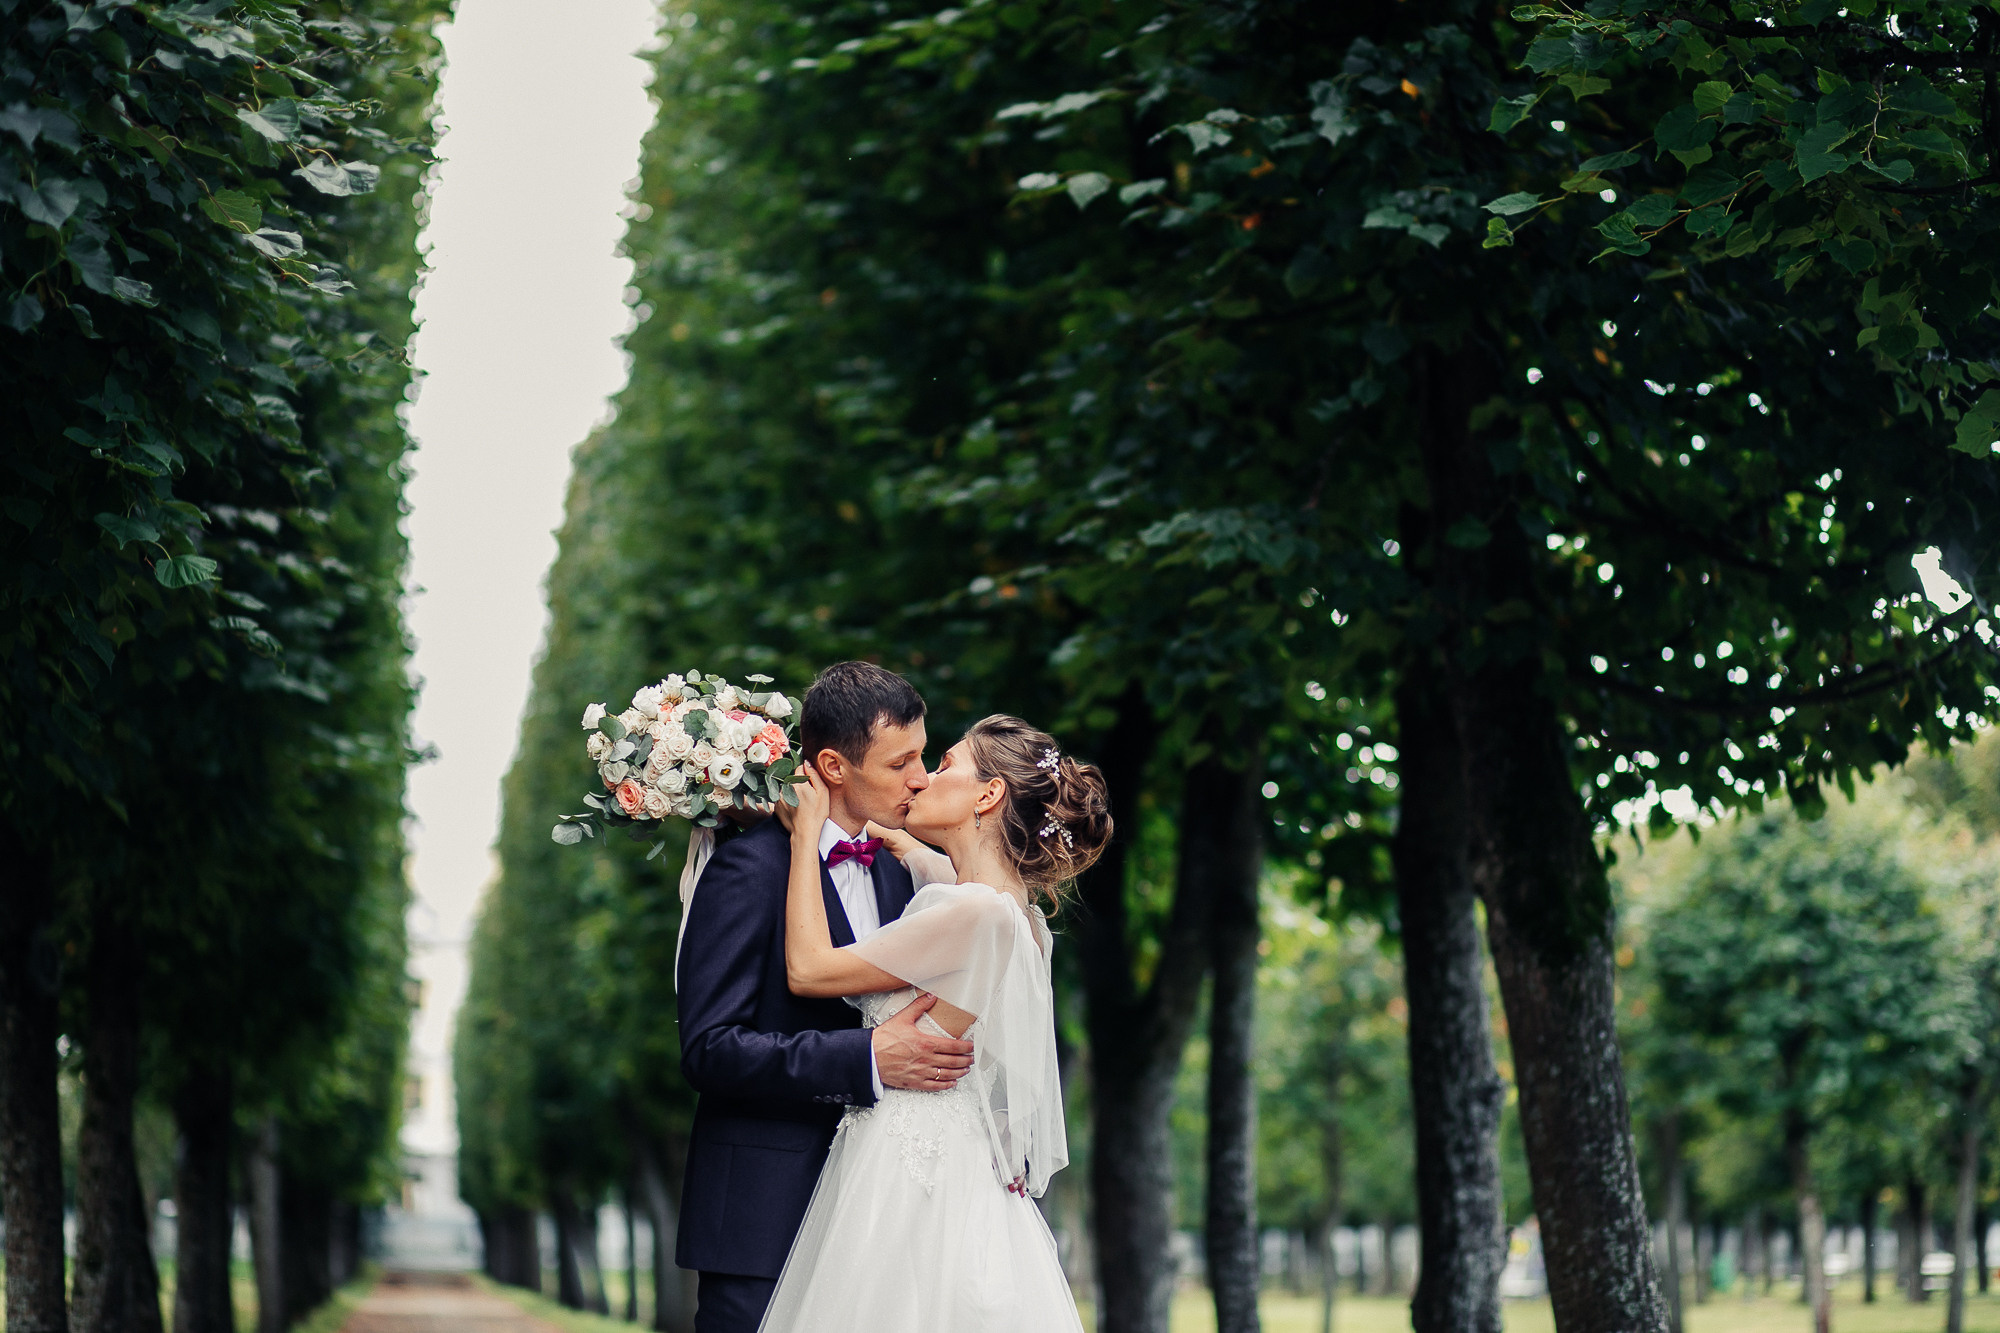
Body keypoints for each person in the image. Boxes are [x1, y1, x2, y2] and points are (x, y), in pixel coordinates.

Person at [757, 713, 1113, 1333]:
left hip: (903, 1160)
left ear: (988, 794)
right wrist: (895, 838)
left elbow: (810, 971)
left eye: (946, 763)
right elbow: (948, 874)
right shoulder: (1016, 914)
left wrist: (805, 835)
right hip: (960, 1157)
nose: (923, 781)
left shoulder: (969, 911)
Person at [675, 662, 978, 1333]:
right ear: (835, 765)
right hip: (762, 1220)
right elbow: (709, 1049)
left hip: (878, 1222)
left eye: (924, 756)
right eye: (902, 761)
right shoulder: (748, 868)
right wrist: (865, 1057)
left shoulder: (907, 874)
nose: (921, 778)